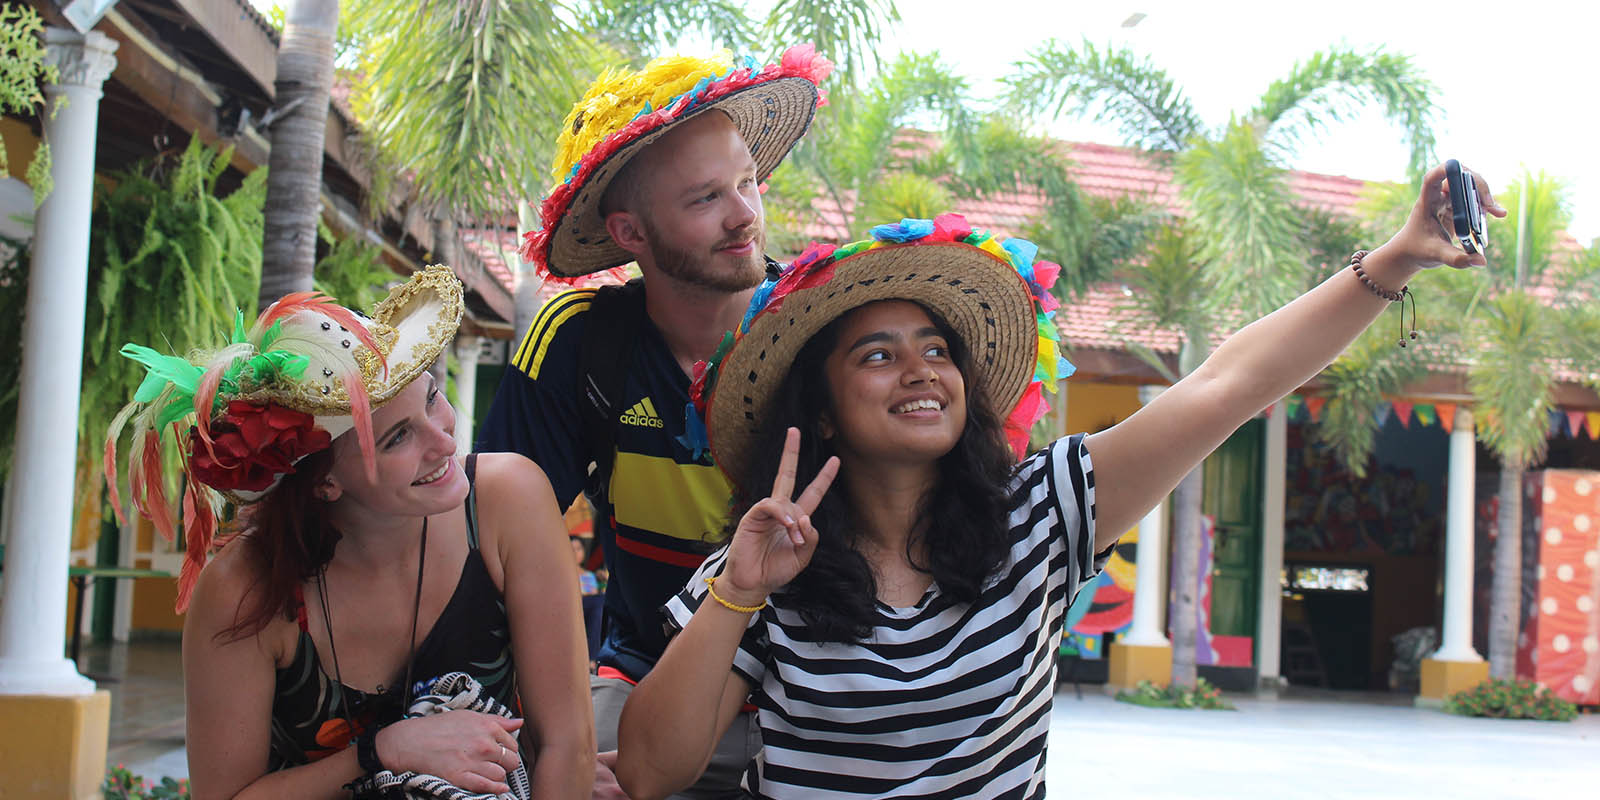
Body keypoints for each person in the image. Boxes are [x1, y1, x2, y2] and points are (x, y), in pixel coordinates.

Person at [615, 165, 1504, 798]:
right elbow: (652, 772)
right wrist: (738, 592)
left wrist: (1397, 257)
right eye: (879, 356)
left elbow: (1229, 384)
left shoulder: (1041, 513)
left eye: (937, 351)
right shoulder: (767, 561)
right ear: (825, 408)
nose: (922, 371)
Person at [477, 45, 832, 797]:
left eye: (747, 183)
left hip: (815, 680)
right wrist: (559, 743)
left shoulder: (822, 331)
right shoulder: (578, 343)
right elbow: (491, 543)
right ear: (630, 233)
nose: (745, 215)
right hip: (642, 671)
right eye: (705, 199)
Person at [105, 266, 594, 799]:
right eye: (397, 437)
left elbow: (565, 742)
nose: (443, 440)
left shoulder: (508, 501)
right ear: (325, 483)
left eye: (432, 397)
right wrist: (380, 751)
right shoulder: (244, 589)